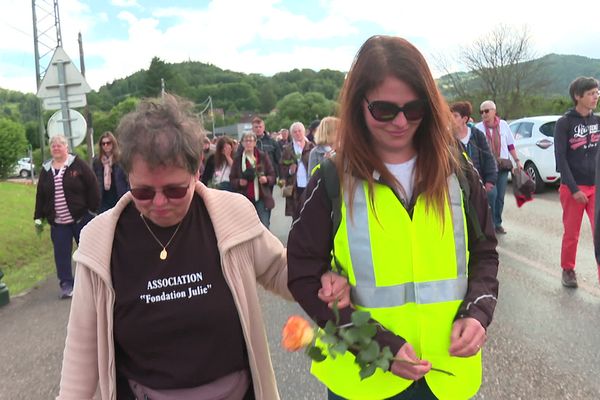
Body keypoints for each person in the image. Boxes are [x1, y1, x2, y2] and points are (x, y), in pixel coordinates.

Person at [57, 94, 349, 400]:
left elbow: (279, 270)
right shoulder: (100, 240)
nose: (158, 203)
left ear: (197, 169)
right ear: (127, 174)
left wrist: (324, 279)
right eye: (143, 192)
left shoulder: (231, 213)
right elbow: (82, 349)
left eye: (174, 190)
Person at [287, 35, 499, 400]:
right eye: (384, 110)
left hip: (446, 378)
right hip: (364, 379)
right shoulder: (333, 178)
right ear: (359, 105)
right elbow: (303, 271)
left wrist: (478, 312)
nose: (400, 122)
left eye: (413, 109)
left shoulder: (458, 172)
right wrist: (380, 345)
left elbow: (485, 253)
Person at [34, 134, 100, 299]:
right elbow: (40, 195)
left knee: (87, 252)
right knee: (61, 256)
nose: (56, 148)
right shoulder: (46, 170)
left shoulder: (77, 165)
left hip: (81, 219)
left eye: (59, 145)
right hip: (58, 224)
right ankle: (66, 285)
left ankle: (94, 282)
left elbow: (92, 185)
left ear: (66, 148)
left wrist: (92, 209)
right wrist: (38, 216)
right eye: (53, 146)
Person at [556, 76, 600, 288]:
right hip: (572, 188)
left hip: (596, 187)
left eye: (597, 92)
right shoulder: (564, 123)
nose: (596, 96)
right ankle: (568, 269)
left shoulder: (597, 121)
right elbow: (561, 159)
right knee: (572, 234)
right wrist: (573, 189)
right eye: (591, 93)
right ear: (577, 96)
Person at [475, 100, 523, 234]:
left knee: (500, 197)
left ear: (494, 111)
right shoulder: (478, 128)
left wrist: (517, 160)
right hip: (487, 167)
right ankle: (488, 224)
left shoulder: (503, 125)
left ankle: (497, 223)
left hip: (502, 166)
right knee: (491, 194)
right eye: (481, 112)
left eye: (486, 111)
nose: (484, 114)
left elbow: (510, 145)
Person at [230, 132, 277, 228]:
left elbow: (273, 175)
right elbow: (232, 179)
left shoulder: (262, 156)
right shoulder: (238, 159)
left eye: (250, 140)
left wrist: (266, 179)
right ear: (242, 143)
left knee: (264, 226)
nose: (248, 143)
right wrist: (239, 182)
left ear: (255, 143)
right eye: (246, 141)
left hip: (261, 197)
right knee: (247, 228)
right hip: (244, 198)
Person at [450, 102, 497, 193]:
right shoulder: (447, 138)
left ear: (465, 119)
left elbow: (488, 158)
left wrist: (490, 181)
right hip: (458, 186)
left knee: (493, 196)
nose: (451, 119)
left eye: (455, 116)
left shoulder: (477, 135)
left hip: (479, 183)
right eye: (450, 116)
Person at [279, 121, 315, 218]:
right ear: (291, 134)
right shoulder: (287, 149)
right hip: (294, 186)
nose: (297, 133)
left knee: (310, 213)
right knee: (296, 215)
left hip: (309, 184)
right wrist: (290, 170)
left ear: (304, 132)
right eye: (295, 132)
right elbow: (281, 167)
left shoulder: (311, 147)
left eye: (299, 131)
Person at [92, 131, 130, 212]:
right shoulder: (97, 161)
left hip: (119, 197)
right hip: (103, 200)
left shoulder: (121, 160)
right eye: (103, 144)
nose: (106, 146)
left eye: (108, 143)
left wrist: (127, 196)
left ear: (113, 144)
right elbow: (93, 181)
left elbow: (129, 179)